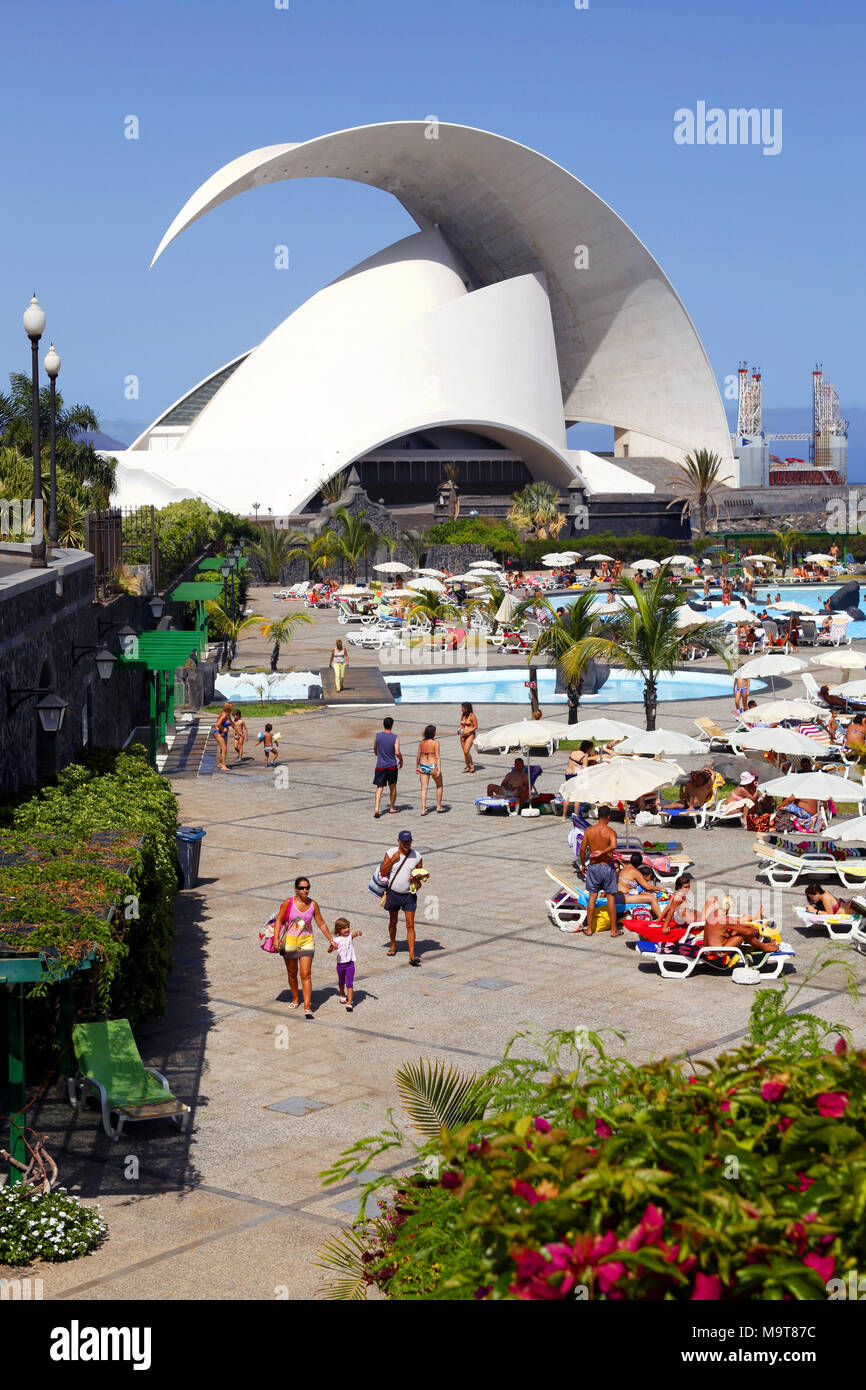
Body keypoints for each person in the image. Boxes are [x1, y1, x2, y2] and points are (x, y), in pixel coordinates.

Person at [275, 876, 335, 1019]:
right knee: (292, 972)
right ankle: (296, 998)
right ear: (296, 889)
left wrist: (331, 939)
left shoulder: (313, 904)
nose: (305, 890)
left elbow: (321, 923)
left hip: (307, 941)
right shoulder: (288, 902)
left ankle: (307, 1006)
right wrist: (276, 939)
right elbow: (279, 919)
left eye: (307, 887)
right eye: (301, 888)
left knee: (306, 974)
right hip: (290, 941)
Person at [380, 830, 423, 965]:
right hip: (393, 893)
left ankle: (412, 955)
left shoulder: (417, 856)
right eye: (404, 842)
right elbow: (383, 871)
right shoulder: (391, 853)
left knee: (410, 925)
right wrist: (392, 860)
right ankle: (393, 944)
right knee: (393, 921)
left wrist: (417, 879)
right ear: (398, 841)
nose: (407, 844)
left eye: (409, 841)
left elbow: (420, 876)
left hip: (409, 895)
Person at [579, 805, 620, 937]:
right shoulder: (611, 832)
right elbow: (613, 846)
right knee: (611, 898)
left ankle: (589, 928)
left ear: (597, 816)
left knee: (592, 897)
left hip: (594, 867)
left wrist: (582, 864)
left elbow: (582, 849)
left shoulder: (589, 830)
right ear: (609, 817)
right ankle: (614, 930)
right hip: (607, 866)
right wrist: (602, 852)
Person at [328, 916, 362, 1011]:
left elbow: (353, 934)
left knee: (349, 983)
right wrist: (332, 947)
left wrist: (358, 933)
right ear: (338, 930)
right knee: (341, 981)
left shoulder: (349, 936)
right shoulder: (336, 939)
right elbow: (329, 950)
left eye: (348, 927)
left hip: (350, 964)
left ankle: (349, 1003)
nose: (347, 929)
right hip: (340, 965)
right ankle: (342, 995)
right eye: (344, 928)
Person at [373, 716, 403, 818]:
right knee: (393, 787)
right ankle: (392, 807)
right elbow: (397, 752)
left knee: (379, 787)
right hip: (391, 766)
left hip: (380, 766)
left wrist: (378, 754)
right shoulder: (395, 737)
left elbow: (375, 748)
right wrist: (401, 759)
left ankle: (377, 809)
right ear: (392, 725)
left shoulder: (377, 736)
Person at [561, 741, 598, 819]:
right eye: (591, 748)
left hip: (567, 774)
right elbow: (584, 771)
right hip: (575, 775)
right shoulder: (584, 757)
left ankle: (563, 816)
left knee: (568, 795)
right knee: (577, 796)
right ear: (588, 748)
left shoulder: (573, 752)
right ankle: (576, 816)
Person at [417, 724, 444, 815]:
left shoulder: (422, 742)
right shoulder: (435, 743)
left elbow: (418, 756)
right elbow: (438, 757)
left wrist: (417, 766)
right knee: (439, 786)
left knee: (423, 789)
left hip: (423, 765)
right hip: (432, 766)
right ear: (433, 733)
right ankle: (438, 806)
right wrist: (439, 769)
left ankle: (423, 809)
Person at [212, 702, 233, 772]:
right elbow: (218, 724)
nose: (232, 708)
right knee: (224, 749)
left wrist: (239, 732)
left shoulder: (228, 715)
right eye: (231, 707)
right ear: (228, 708)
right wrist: (223, 730)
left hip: (224, 734)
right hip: (218, 733)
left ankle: (220, 763)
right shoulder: (224, 714)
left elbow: (232, 723)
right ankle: (224, 766)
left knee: (222, 749)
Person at [458, 701, 478, 772]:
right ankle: (467, 767)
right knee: (465, 752)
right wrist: (459, 730)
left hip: (470, 735)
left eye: (462, 707)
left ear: (466, 708)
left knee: (466, 751)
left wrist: (468, 731)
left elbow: (476, 726)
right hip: (463, 735)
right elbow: (461, 724)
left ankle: (472, 765)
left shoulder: (472, 715)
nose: (461, 709)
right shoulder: (463, 715)